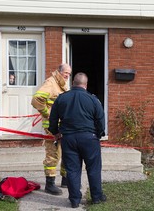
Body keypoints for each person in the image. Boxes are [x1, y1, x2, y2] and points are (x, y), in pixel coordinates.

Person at [48, 72, 106, 208]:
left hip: (68, 138)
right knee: (93, 169)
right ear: (85, 85)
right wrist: (98, 134)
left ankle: (74, 200)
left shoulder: (61, 98)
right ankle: (97, 197)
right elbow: (100, 120)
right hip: (89, 138)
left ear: (72, 83)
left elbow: (53, 119)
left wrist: (56, 132)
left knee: (73, 170)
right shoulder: (93, 99)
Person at [31, 63, 72, 195]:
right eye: (66, 73)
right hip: (52, 127)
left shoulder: (61, 84)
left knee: (66, 152)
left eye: (69, 74)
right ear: (59, 72)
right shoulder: (51, 82)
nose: (67, 76)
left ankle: (65, 180)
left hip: (63, 126)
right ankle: (50, 184)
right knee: (53, 154)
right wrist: (46, 114)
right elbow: (36, 99)